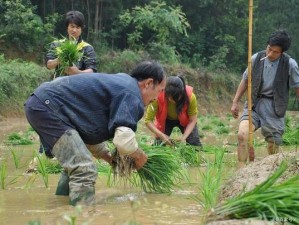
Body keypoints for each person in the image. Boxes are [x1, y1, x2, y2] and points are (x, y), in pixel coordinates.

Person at [24, 60, 166, 205]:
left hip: (43, 104)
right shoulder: (131, 93)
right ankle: (81, 218)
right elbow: (124, 141)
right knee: (84, 169)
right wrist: (140, 156)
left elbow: (88, 132)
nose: (157, 98)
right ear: (148, 83)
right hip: (49, 107)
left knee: (73, 167)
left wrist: (108, 158)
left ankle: (61, 208)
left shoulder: (122, 84)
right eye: (160, 90)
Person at [231, 30, 299, 168]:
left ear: (282, 52)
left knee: (273, 144)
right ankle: (241, 171)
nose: (270, 54)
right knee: (242, 134)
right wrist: (235, 102)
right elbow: (245, 80)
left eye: (275, 52)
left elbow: (297, 87)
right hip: (254, 104)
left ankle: (271, 172)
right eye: (269, 49)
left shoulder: (290, 64)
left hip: (275, 107)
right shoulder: (256, 58)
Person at [40, 10, 98, 158]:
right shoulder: (57, 45)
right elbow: (49, 64)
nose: (74, 30)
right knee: (48, 120)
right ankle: (46, 155)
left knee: (73, 123)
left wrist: (76, 72)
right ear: (67, 27)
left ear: (81, 29)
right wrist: (60, 58)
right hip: (55, 91)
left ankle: (74, 154)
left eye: (78, 27)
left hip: (77, 93)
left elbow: (92, 71)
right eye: (72, 26)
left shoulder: (86, 48)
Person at [144, 75, 202, 148]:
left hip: (185, 120)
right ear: (166, 92)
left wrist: (183, 138)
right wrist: (162, 135)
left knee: (194, 144)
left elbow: (192, 120)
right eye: (172, 98)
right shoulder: (157, 96)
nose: (174, 101)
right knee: (159, 145)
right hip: (166, 120)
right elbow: (148, 120)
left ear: (182, 92)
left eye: (177, 98)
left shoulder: (190, 97)